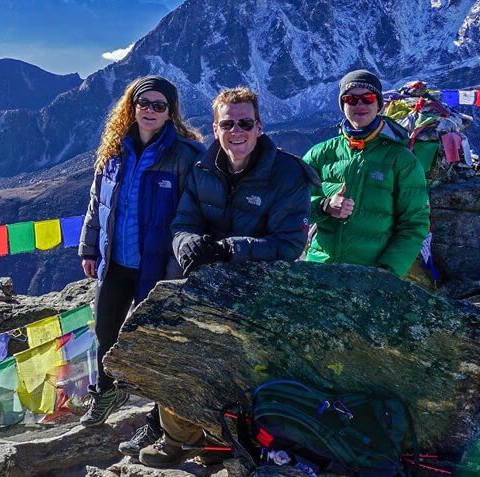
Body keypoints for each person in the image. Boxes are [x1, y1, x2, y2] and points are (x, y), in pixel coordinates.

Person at [131, 86, 314, 467]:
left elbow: (287, 244)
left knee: (245, 366)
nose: (237, 131)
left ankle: (234, 439)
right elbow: (183, 221)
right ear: (215, 129)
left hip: (259, 288)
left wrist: (231, 248)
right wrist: (188, 247)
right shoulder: (202, 168)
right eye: (228, 123)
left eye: (245, 123)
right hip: (203, 281)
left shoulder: (288, 174)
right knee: (177, 350)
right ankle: (180, 438)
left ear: (259, 127)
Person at [78, 75, 203, 428]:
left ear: (170, 112)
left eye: (158, 105)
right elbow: (96, 204)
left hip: (160, 267)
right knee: (106, 332)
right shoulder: (114, 150)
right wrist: (89, 249)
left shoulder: (187, 155)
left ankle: (157, 420)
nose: (150, 111)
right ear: (131, 108)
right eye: (143, 103)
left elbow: (199, 210)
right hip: (115, 262)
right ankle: (106, 392)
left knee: (157, 343)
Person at [303, 70, 430, 277]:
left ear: (379, 105)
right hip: (320, 267)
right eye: (351, 99)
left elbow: (415, 223)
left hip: (372, 274)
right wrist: (324, 206)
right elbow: (291, 205)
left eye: (368, 99)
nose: (359, 105)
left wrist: (387, 272)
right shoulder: (320, 154)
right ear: (343, 105)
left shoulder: (402, 160)